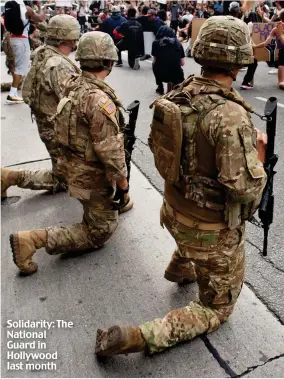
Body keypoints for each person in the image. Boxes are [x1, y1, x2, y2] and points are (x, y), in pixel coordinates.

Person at [95, 15, 267, 357]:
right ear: (238, 60)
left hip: (172, 210)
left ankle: (180, 265)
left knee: (192, 232)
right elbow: (244, 190)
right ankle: (139, 336)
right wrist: (259, 157)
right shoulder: (229, 115)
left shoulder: (180, 91)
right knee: (216, 308)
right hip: (207, 230)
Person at [9, 31, 133, 276]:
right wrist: (124, 187)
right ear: (109, 62)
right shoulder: (99, 100)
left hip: (73, 166)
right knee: (100, 232)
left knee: (104, 213)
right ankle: (33, 240)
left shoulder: (72, 84)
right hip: (90, 176)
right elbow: (112, 155)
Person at [1, 15, 81, 199]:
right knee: (63, 180)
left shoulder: (44, 52)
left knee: (68, 171)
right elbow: (72, 102)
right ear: (68, 37)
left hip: (48, 125)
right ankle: (8, 177)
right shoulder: (58, 65)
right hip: (56, 130)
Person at [4, 0, 46, 104]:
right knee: (20, 68)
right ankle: (12, 94)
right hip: (21, 40)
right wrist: (40, 7)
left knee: (19, 67)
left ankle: (14, 92)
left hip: (13, 38)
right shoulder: (27, 9)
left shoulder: (12, 7)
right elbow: (40, 18)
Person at [253, 8, 284, 89]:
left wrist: (255, 46)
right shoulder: (276, 29)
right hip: (282, 54)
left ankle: (282, 81)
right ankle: (282, 81)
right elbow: (267, 43)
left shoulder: (277, 29)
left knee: (281, 63)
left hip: (282, 55)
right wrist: (255, 46)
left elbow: (267, 43)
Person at [152, 25, 185, 94]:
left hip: (161, 73)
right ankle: (174, 86)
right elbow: (182, 63)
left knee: (154, 65)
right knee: (174, 69)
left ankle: (160, 86)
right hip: (176, 73)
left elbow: (155, 60)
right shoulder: (178, 43)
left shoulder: (155, 43)